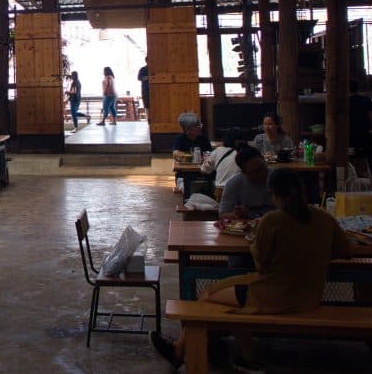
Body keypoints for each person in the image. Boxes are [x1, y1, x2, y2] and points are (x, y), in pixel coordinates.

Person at [151, 168, 352, 372]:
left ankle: (242, 356)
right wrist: (315, 252)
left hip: (274, 295)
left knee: (208, 295)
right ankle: (197, 348)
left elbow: (261, 264)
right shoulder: (325, 218)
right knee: (230, 296)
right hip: (310, 296)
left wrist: (254, 242)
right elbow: (345, 251)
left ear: (273, 193)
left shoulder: (272, 221)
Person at [218, 145, 274, 219]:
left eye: (262, 168)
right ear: (244, 173)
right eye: (255, 172)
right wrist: (235, 215)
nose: (262, 173)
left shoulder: (278, 177)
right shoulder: (234, 184)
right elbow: (222, 215)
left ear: (264, 160)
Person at [349, 82, 372, 181]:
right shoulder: (365, 100)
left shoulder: (343, 101)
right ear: (357, 89)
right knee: (370, 154)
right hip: (364, 133)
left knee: (350, 155)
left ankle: (351, 177)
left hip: (348, 135)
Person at [200, 128, 245, 198]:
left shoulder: (218, 151)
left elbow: (204, 170)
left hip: (221, 191)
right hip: (240, 191)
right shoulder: (245, 152)